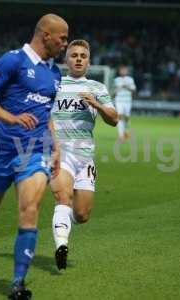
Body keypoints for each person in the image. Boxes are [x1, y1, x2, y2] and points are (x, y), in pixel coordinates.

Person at [0, 14, 68, 300]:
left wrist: (56, 147)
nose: (65, 44)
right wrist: (11, 118)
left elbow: (47, 115)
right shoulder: (13, 60)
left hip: (34, 152)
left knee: (30, 207)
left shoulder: (55, 73)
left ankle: (17, 284)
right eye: (62, 38)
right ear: (46, 35)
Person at [50, 39, 118, 270]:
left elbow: (114, 119)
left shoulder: (98, 88)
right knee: (63, 197)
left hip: (85, 156)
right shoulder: (55, 84)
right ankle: (61, 245)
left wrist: (97, 105)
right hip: (61, 153)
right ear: (66, 59)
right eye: (74, 55)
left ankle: (64, 226)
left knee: (82, 214)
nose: (78, 59)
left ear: (88, 62)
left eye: (83, 56)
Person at [113, 65, 136, 141]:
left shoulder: (130, 79)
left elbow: (133, 90)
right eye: (121, 70)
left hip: (127, 100)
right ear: (119, 71)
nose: (123, 72)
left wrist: (126, 86)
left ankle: (126, 132)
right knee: (119, 117)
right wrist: (117, 90)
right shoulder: (116, 80)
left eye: (124, 70)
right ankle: (120, 135)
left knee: (126, 118)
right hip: (119, 100)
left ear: (127, 71)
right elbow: (114, 91)